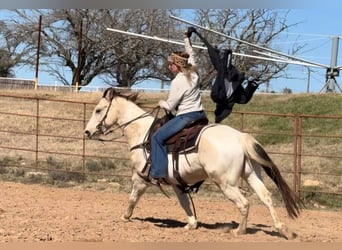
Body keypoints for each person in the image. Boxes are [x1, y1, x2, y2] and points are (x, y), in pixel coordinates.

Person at [140, 28, 207, 185]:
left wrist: (161, 103)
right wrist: (186, 39)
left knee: (157, 137)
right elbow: (191, 55)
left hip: (186, 116)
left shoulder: (178, 81)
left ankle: (158, 173)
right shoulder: (194, 74)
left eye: (171, 64)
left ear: (177, 66)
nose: (170, 67)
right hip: (200, 114)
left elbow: (170, 106)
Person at [188, 27, 261, 123]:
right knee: (220, 62)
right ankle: (223, 53)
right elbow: (245, 97)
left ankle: (222, 53)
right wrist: (252, 84)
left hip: (225, 75)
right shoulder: (234, 97)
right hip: (229, 77)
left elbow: (211, 52)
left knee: (217, 58)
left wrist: (196, 32)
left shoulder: (219, 94)